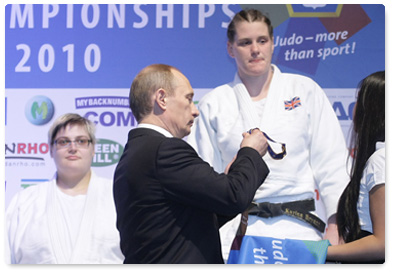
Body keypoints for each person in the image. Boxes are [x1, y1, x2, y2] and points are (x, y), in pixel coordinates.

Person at [187, 9, 349, 260]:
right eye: (245, 42)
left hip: (301, 227)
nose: (255, 49)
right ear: (230, 49)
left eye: (262, 40)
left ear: (273, 43)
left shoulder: (305, 91)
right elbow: (205, 180)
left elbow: (332, 165)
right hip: (240, 230)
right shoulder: (214, 103)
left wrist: (336, 225)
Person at [113, 64, 270, 264]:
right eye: (188, 99)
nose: (195, 111)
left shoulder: (135, 153)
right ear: (162, 99)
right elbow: (234, 196)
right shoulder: (165, 150)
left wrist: (236, 175)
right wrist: (251, 153)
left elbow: (187, 223)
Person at [5, 113, 124, 264]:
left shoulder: (118, 197)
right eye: (63, 142)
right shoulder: (24, 202)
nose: (73, 148)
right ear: (51, 149)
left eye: (81, 141)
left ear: (93, 148)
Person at [326, 71, 385, 263]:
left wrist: (322, 253)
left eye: (358, 100)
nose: (354, 108)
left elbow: (384, 243)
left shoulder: (381, 161)